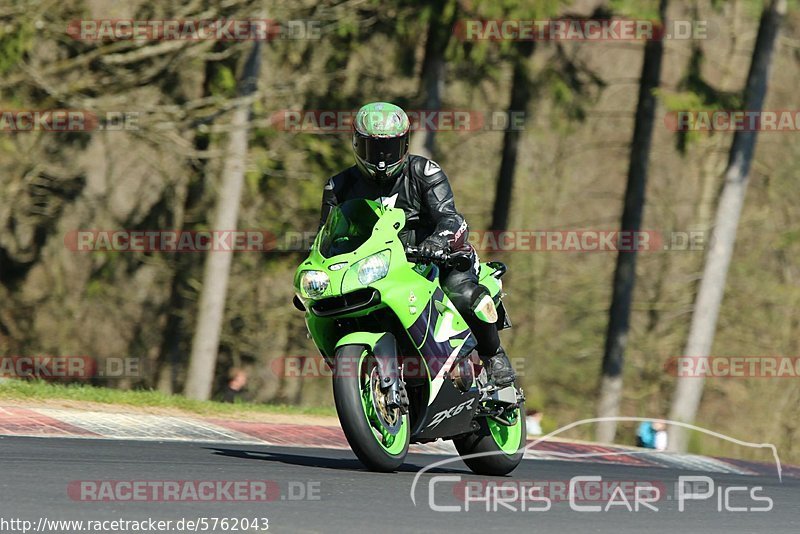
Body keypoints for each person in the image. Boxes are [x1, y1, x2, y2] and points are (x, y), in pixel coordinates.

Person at [319, 102, 515, 386]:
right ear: (355, 143)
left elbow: (451, 218)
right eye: (373, 149)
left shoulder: (425, 173)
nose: (382, 159)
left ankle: (493, 354)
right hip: (381, 268)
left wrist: (438, 242)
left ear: (405, 144)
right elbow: (327, 237)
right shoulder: (338, 187)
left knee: (462, 294)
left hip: (436, 260)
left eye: (390, 149)